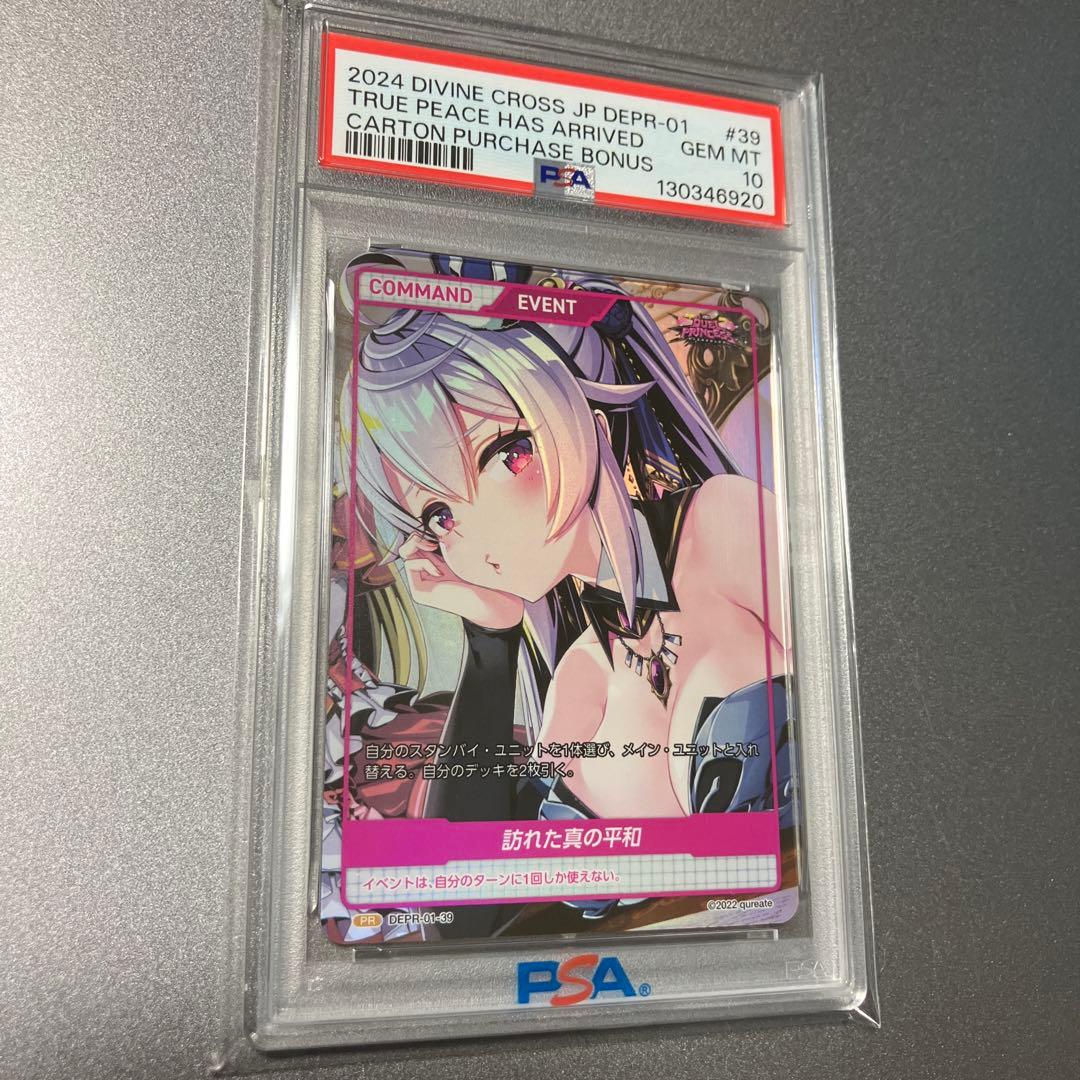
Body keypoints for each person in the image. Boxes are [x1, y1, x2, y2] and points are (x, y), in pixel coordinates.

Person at [341, 253, 792, 833]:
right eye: (439, 515)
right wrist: (491, 641)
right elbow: (465, 866)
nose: (484, 535)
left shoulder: (722, 522)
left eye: (507, 454)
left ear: (591, 426)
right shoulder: (578, 674)